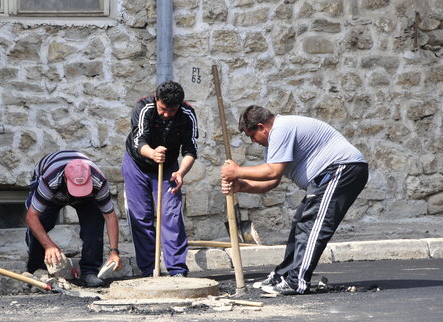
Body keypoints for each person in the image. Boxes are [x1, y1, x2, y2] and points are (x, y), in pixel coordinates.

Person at [221, 105, 368, 295]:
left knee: (313, 226)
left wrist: (237, 171)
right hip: (328, 175)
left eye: (251, 136)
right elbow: (272, 181)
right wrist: (243, 186)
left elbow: (273, 170)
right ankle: (284, 274)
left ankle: (296, 281)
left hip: (341, 169)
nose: (252, 141)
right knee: (300, 223)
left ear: (261, 127)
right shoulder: (274, 140)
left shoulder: (281, 129)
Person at [122, 80, 198, 277]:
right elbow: (139, 139)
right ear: (157, 99)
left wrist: (181, 172)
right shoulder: (143, 107)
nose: (166, 115)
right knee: (141, 217)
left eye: (171, 111)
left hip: (169, 168)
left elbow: (190, 150)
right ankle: (148, 270)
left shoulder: (188, 114)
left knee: (171, 215)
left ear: (179, 106)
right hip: (137, 164)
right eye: (163, 109)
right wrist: (152, 153)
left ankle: (177, 270)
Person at [25, 150, 123, 287]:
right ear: (65, 179)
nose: (79, 194)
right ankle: (36, 270)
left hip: (89, 197)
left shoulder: (98, 181)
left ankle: (89, 272)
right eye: (77, 189)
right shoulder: (50, 180)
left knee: (94, 225)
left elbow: (110, 216)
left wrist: (114, 252)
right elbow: (31, 217)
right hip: (54, 193)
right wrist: (49, 245)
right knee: (41, 223)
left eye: (82, 187)